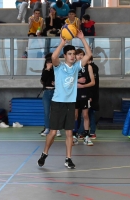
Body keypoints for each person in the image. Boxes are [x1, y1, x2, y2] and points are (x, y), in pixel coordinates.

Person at [37, 30, 92, 169]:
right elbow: (54, 56)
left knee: (69, 133)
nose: (73, 56)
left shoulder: (76, 67)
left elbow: (89, 55)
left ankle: (68, 158)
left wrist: (82, 38)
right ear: (65, 56)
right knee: (53, 132)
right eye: (70, 54)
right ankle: (45, 153)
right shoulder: (58, 67)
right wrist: (62, 42)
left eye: (74, 54)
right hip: (57, 103)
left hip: (70, 104)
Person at [73, 49, 95, 146]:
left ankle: (86, 136)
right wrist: (77, 81)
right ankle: (74, 135)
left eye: (81, 54)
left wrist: (83, 86)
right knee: (75, 115)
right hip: (73, 94)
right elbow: (66, 81)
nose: (79, 57)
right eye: (77, 55)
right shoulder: (72, 66)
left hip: (84, 93)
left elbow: (93, 82)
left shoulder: (88, 67)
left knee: (85, 115)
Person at [77, 56, 99, 140]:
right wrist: (77, 81)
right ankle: (78, 132)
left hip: (88, 94)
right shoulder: (75, 66)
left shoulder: (92, 67)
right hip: (77, 94)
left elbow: (93, 82)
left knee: (88, 114)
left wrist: (90, 95)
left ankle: (88, 132)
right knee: (77, 115)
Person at [40, 53, 61, 137]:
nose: (49, 64)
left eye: (51, 61)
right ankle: (47, 128)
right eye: (48, 62)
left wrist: (56, 83)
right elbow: (43, 80)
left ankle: (57, 129)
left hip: (55, 92)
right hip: (46, 91)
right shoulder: (45, 70)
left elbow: (60, 79)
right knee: (46, 111)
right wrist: (47, 70)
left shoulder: (57, 69)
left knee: (55, 111)